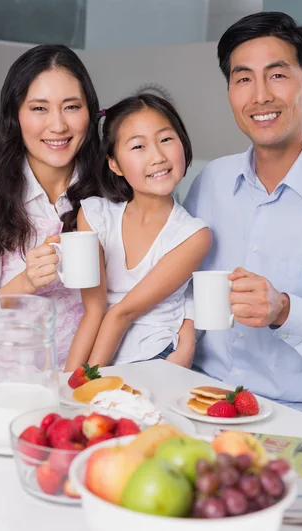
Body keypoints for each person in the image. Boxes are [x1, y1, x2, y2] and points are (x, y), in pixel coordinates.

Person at [185, 12, 302, 427]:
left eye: (276, 75)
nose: (259, 96)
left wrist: (285, 310)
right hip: (205, 396)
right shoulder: (210, 182)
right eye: (243, 79)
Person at [0, 44, 100, 386]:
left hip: (83, 377)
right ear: (15, 115)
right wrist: (26, 283)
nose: (58, 125)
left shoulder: (108, 193)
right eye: (39, 108)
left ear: (90, 113)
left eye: (72, 107)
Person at [65, 94, 212, 370]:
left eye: (166, 139)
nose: (157, 156)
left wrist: (85, 383)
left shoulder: (193, 235)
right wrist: (67, 384)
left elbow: (123, 312)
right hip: (104, 351)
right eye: (138, 146)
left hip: (157, 357)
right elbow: (94, 311)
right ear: (114, 164)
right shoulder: (95, 216)